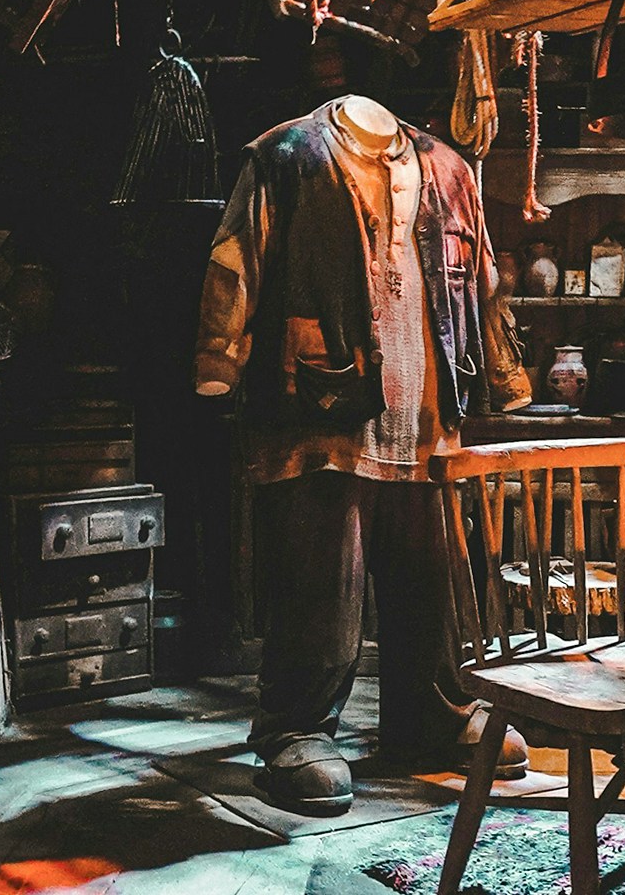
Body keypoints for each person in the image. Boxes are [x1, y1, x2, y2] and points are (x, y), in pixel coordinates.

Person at [194, 95, 532, 815]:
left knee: (431, 583)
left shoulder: (447, 167)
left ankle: (431, 718)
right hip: (320, 408)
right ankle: (298, 731)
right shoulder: (287, 156)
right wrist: (219, 355)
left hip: (429, 411)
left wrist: (503, 377)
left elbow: (486, 284)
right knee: (321, 585)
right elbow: (236, 257)